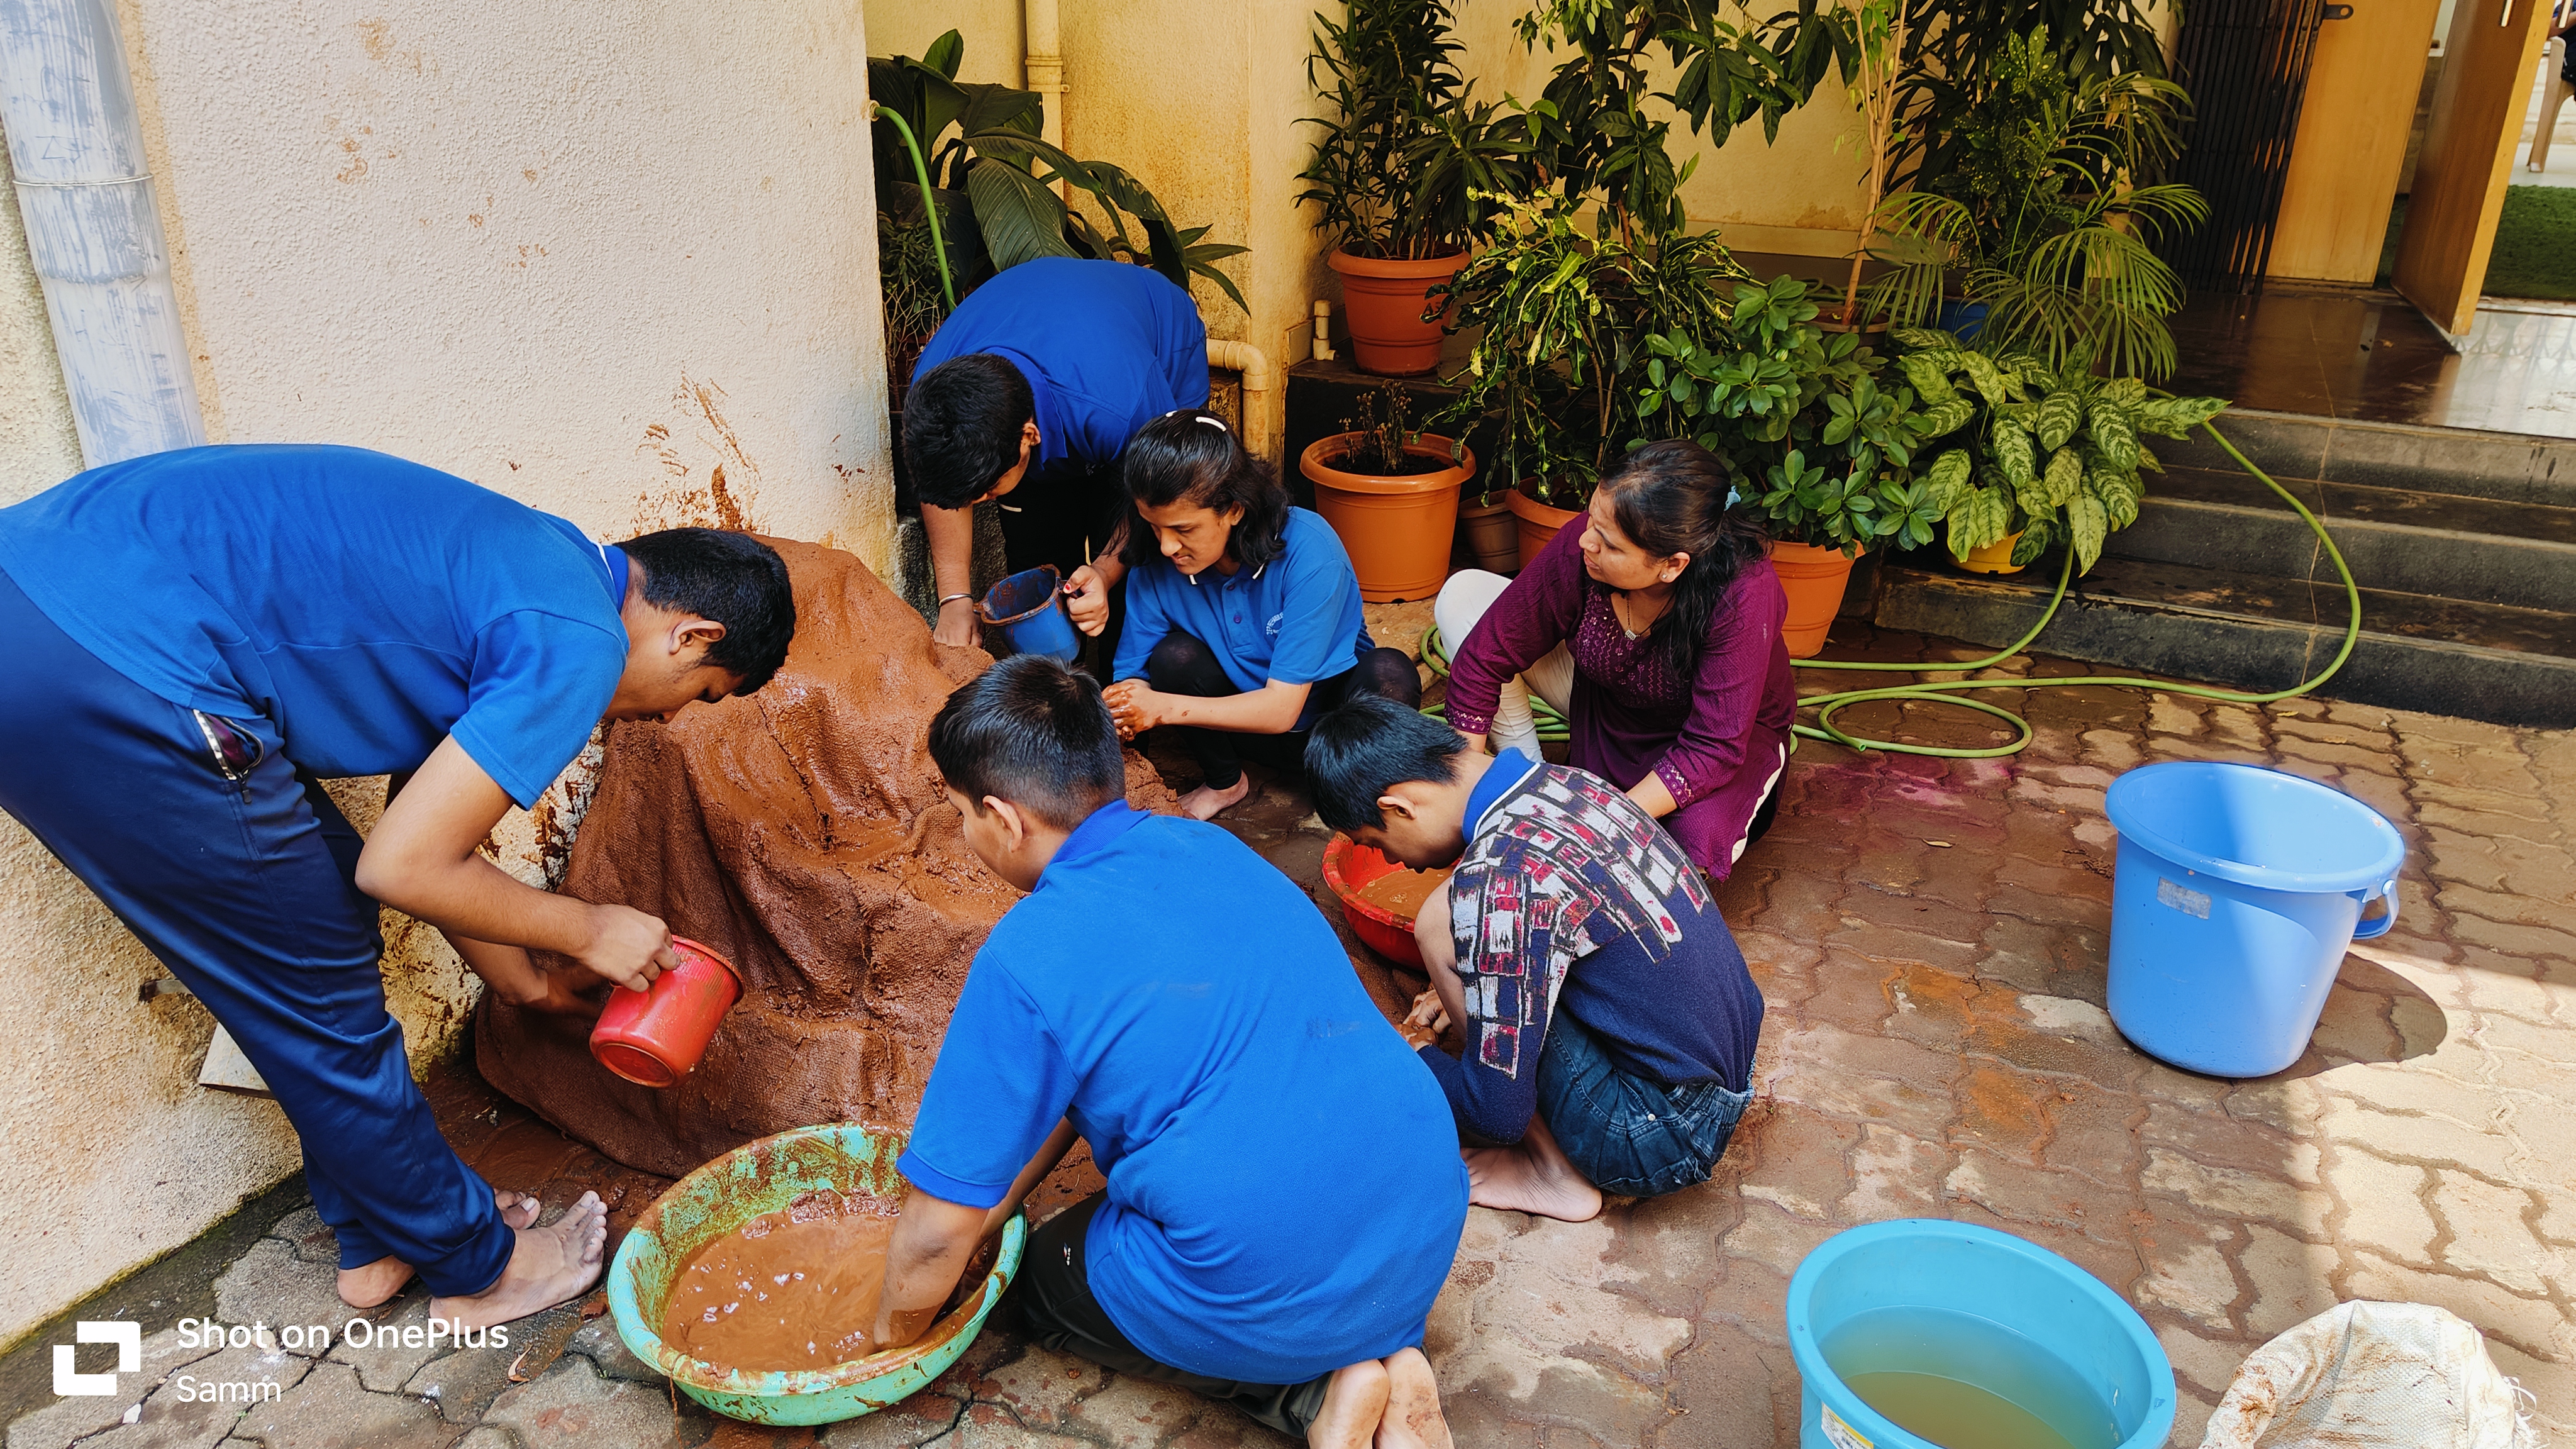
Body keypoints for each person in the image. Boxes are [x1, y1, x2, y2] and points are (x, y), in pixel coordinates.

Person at [0, 443, 796, 1327]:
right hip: (109, 654)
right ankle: (477, 1268)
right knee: (315, 980)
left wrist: (524, 980)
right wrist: (586, 928)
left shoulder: (532, 569)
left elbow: (418, 832)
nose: (666, 717)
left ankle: (380, 1238)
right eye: (699, 693)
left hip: (48, 613)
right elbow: (404, 868)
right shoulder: (580, 641)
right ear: (693, 635)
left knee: (320, 918)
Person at [869, 655, 1467, 1448]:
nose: (966, 834)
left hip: (1274, 1263)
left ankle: (1317, 1394)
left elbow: (938, 1230)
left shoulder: (1028, 955)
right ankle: (1392, 1350)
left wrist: (880, 1342)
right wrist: (999, 1196)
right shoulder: (1211, 848)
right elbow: (1081, 1079)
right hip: (1424, 1205)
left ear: (1003, 818)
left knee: (1045, 1280)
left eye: (961, 815)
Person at [1306, 697, 1765, 1224]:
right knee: (1472, 925)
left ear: (1400, 808)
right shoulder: (1569, 783)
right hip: (1728, 1067)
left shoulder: (1500, 879)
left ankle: (1551, 1173)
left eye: (1377, 842)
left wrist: (1412, 1055)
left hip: (1659, 1136)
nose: (1392, 862)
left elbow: (1494, 1115)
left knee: (1440, 924)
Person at [1434, 440, 1794, 880]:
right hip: (1609, 702)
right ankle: (1528, 777)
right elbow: (1486, 653)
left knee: (1686, 844)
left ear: (1671, 565)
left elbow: (1713, 748)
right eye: (1591, 520)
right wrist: (1464, 792)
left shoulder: (1744, 593)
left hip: (1716, 742)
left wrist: (1598, 824)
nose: (1586, 541)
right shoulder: (1586, 546)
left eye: (1610, 545)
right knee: (1463, 598)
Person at [1098, 409, 1420, 819]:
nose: (1166, 546)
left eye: (1183, 529)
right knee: (1173, 657)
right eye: (1155, 526)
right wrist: (1122, 712)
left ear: (1233, 509)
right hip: (1242, 731)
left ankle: (1361, 797)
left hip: (1330, 731)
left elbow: (1282, 709)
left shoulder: (1310, 551)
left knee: (1390, 675)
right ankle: (1225, 782)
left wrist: (1158, 707)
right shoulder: (1156, 564)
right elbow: (1132, 678)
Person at [904, 256, 1209, 650]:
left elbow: (1160, 501)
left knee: (1132, 583)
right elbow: (941, 490)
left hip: (1151, 351)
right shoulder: (934, 396)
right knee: (1037, 568)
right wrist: (955, 600)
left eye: (987, 490)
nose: (977, 503)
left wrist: (1103, 571)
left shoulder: (1121, 406)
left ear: (1028, 435)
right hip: (1056, 347)